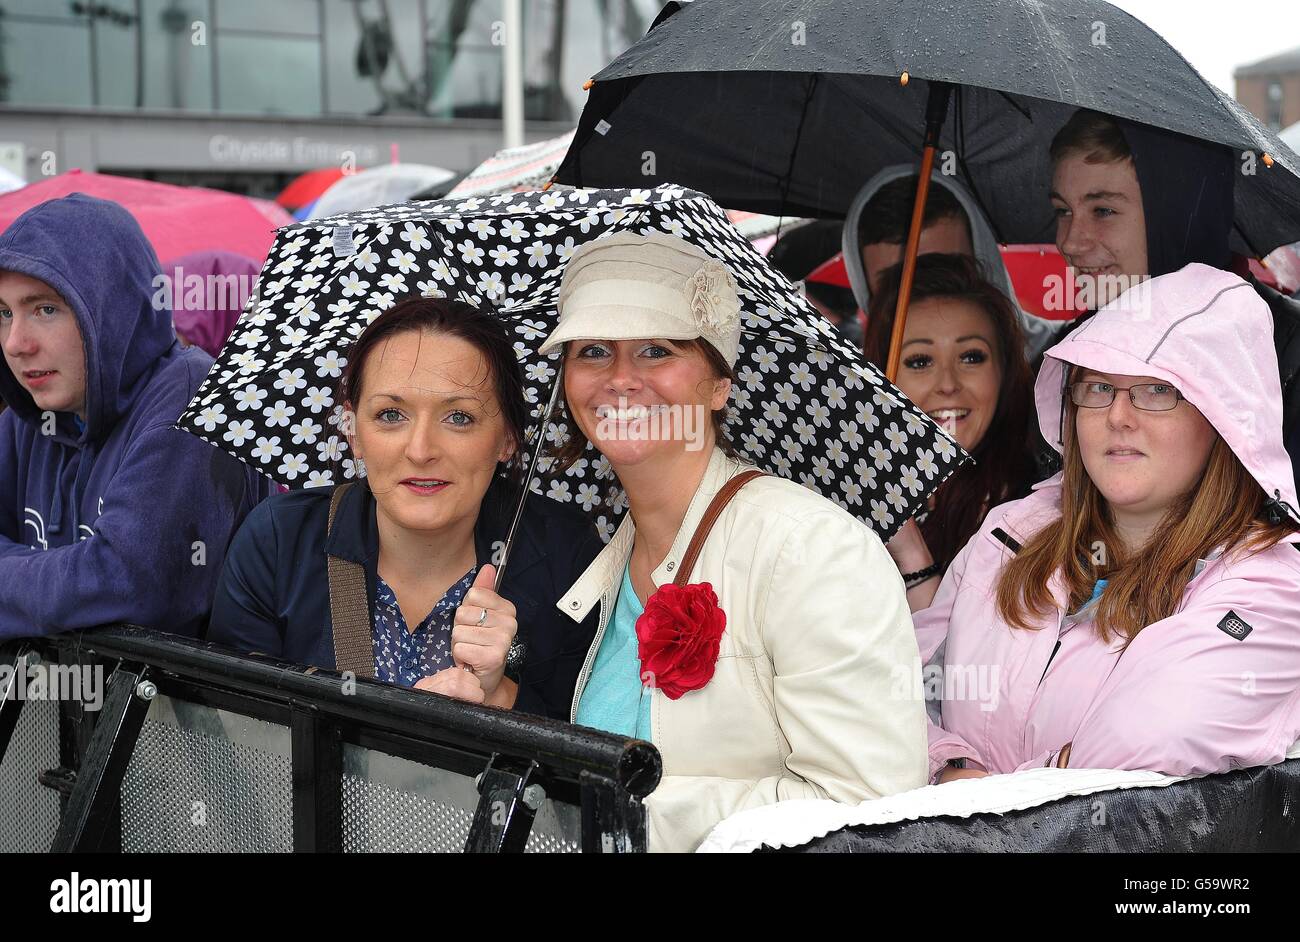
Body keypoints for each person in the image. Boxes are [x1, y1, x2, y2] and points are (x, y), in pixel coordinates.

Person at [540, 230, 927, 852]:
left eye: (655, 350)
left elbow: (867, 813)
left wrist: (621, 811)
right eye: (591, 351)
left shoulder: (811, 551)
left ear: (719, 385)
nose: (619, 379)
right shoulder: (603, 565)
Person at [918, 264, 1300, 785]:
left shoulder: (1273, 584)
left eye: (1157, 390)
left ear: (1223, 418)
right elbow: (899, 686)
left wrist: (985, 796)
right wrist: (946, 763)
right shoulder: (1012, 532)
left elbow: (1157, 733)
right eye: (1097, 387)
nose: (1118, 415)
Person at [208, 296, 602, 720]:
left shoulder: (569, 560)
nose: (421, 450)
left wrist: (502, 696)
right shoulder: (277, 543)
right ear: (354, 431)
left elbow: (582, 762)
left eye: (459, 418)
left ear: (507, 436)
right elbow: (233, 744)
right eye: (391, 414)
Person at [0, 194, 270, 639]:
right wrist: (56, 588)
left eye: (45, 309)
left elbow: (129, 585)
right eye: (5, 313)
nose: (16, 342)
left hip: (189, 708)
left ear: (110, 305)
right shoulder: (31, 417)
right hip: (58, 703)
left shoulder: (188, 400)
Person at [1048, 108, 1300, 495]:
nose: (1070, 242)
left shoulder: (1291, 356)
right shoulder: (1065, 357)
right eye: (1063, 211)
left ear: (1182, 214)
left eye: (1103, 210)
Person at [864, 254, 1036, 609]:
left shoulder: (1040, 509)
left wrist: (912, 557)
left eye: (971, 357)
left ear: (1005, 372)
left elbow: (959, 661)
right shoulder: (850, 498)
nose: (947, 384)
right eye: (920, 361)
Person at [843, 167, 1059, 359]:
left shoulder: (1069, 357)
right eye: (897, 284)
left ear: (985, 265)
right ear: (867, 296)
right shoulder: (856, 393)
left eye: (948, 274)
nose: (930, 299)